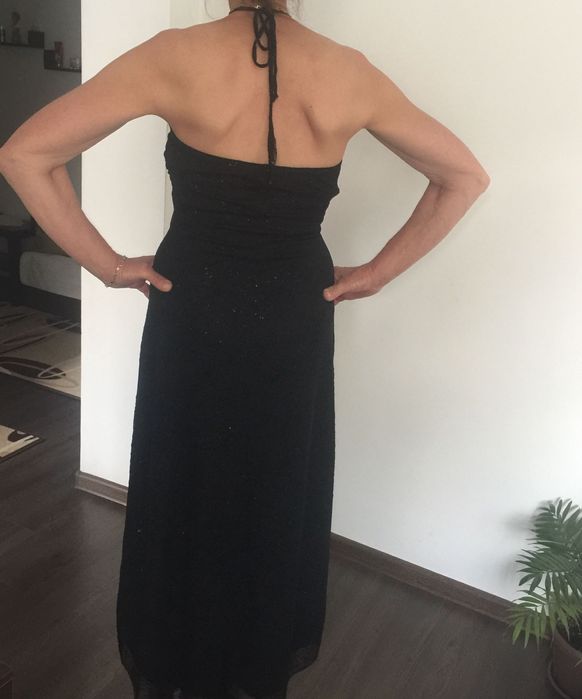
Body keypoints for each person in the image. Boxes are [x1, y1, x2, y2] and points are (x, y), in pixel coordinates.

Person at [0, 1, 490, 697]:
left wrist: (109, 266)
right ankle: (252, 667)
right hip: (294, 316)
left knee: (183, 478)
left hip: (193, 308)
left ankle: (177, 659)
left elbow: (24, 154)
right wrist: (377, 273)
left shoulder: (174, 54)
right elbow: (464, 176)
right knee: (275, 487)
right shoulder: (349, 72)